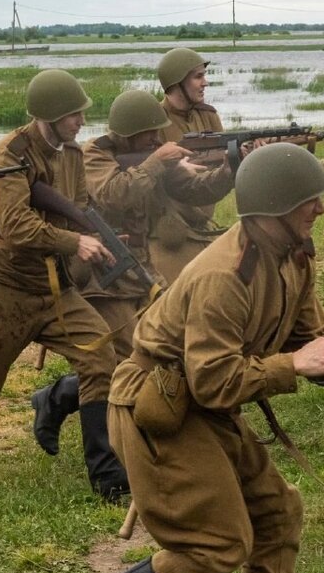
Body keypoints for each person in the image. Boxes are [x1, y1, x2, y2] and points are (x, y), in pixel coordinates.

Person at [70, 142, 324, 573]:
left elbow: (306, 339)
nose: (321, 208)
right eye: (310, 200)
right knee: (213, 548)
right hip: (160, 403)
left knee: (277, 515)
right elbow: (215, 381)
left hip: (201, 401)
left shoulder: (291, 254)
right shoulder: (223, 277)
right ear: (276, 207)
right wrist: (293, 365)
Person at [0, 69, 129, 511]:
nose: (81, 123)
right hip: (3, 286)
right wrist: (75, 241)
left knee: (99, 356)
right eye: (73, 115)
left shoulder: (70, 153)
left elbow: (80, 207)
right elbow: (15, 225)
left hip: (53, 284)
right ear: (50, 116)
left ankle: (106, 475)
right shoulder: (8, 153)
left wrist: (102, 237)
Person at [30, 89, 223, 457]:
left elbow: (194, 191)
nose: (157, 140)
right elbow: (114, 194)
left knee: (166, 345)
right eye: (151, 135)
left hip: (141, 269)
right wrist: (156, 161)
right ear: (130, 134)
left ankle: (60, 397)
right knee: (130, 359)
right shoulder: (94, 157)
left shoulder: (150, 158)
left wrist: (232, 165)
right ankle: (120, 444)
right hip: (104, 278)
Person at [148, 47, 235, 283]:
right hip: (168, 230)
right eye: (198, 77)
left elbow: (222, 158)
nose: (205, 83)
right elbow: (141, 172)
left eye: (203, 76)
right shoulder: (153, 120)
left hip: (202, 221)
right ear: (176, 83)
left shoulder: (208, 115)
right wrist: (172, 169)